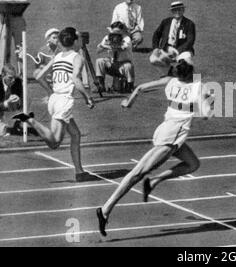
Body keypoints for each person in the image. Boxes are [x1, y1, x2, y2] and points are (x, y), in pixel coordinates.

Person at [96, 55, 213, 237]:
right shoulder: (199, 87)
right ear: (192, 69)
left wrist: (128, 102)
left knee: (193, 164)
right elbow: (206, 115)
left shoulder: (170, 80)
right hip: (170, 138)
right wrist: (209, 101)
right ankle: (105, 209)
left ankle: (155, 181)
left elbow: (141, 88)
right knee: (137, 173)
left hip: (169, 133)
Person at [13, 27, 95, 182]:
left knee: (75, 135)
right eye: (78, 38)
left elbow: (39, 76)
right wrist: (87, 97)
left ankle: (79, 172)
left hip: (55, 99)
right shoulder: (77, 57)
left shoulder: (57, 56)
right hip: (63, 101)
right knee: (54, 142)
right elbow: (76, 80)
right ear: (74, 41)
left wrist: (51, 91)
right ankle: (29, 120)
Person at [150, 1, 196, 71]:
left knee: (189, 63)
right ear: (172, 11)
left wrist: (176, 52)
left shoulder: (189, 23)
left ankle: (197, 80)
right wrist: (156, 48)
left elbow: (190, 41)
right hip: (166, 50)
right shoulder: (166, 22)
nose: (177, 11)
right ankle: (172, 71)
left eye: (179, 9)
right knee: (153, 60)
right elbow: (156, 35)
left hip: (183, 50)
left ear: (183, 10)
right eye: (175, 10)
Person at [0, 0, 29, 72]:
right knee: (4, 48)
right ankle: (4, 72)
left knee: (20, 47)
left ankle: (22, 74)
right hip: (5, 20)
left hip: (18, 19)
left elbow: (22, 0)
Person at [95, 22, 134, 93]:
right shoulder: (107, 37)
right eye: (114, 31)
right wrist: (102, 46)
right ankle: (101, 85)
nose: (116, 33)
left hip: (123, 65)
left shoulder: (127, 38)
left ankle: (129, 86)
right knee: (99, 61)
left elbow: (122, 48)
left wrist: (106, 46)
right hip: (111, 64)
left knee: (128, 66)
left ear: (122, 31)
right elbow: (98, 50)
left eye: (118, 31)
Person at [32, 28, 61, 96]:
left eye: (58, 38)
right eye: (54, 38)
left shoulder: (62, 48)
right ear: (48, 39)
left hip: (60, 71)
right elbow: (38, 65)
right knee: (36, 73)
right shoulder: (42, 50)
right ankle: (50, 92)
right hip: (48, 72)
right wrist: (46, 68)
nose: (56, 40)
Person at [0, 64, 21, 136]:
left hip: (9, 112)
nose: (13, 80)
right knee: (2, 132)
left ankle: (14, 125)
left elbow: (22, 103)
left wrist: (19, 101)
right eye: (10, 78)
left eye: (14, 77)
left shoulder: (17, 82)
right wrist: (7, 102)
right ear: (3, 75)